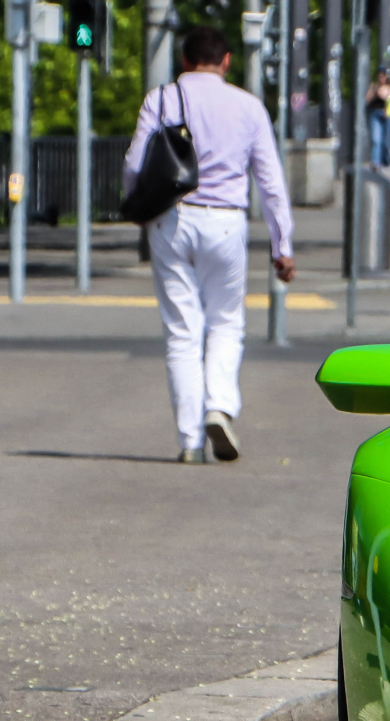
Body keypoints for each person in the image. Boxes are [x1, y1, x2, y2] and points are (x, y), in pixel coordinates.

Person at [125, 26, 296, 465]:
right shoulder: (248, 107)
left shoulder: (161, 99)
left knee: (182, 331)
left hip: (171, 220)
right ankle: (218, 406)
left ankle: (188, 440)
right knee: (225, 322)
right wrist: (283, 245)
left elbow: (133, 164)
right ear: (225, 62)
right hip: (225, 224)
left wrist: (139, 208)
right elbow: (271, 182)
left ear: (183, 60)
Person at [366, 72, 390, 179]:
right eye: (380, 75)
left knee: (386, 140)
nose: (381, 78)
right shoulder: (374, 86)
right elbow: (367, 99)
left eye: (383, 76)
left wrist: (384, 96)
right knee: (376, 139)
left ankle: (385, 162)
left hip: (387, 114)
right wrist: (375, 93)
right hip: (375, 113)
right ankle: (375, 162)